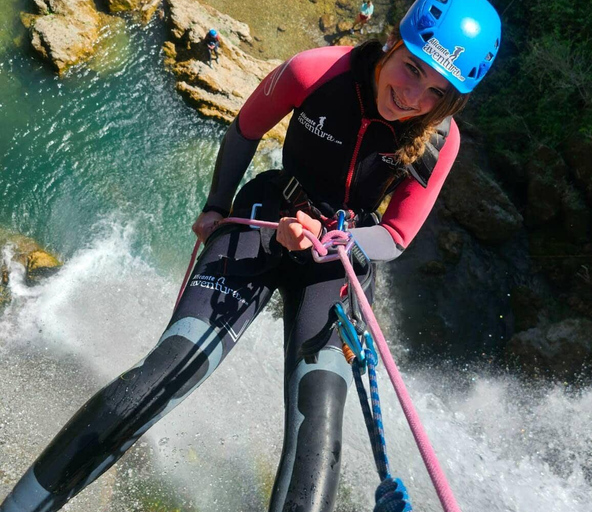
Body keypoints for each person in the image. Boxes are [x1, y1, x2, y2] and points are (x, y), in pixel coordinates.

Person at [0, 0, 501, 511]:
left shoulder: (440, 140)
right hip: (266, 215)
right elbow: (246, 129)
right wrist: (216, 205)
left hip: (340, 255)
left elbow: (395, 235)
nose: (412, 94)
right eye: (411, 67)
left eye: (437, 90)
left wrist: (338, 241)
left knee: (318, 432)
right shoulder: (316, 70)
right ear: (394, 41)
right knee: (172, 368)